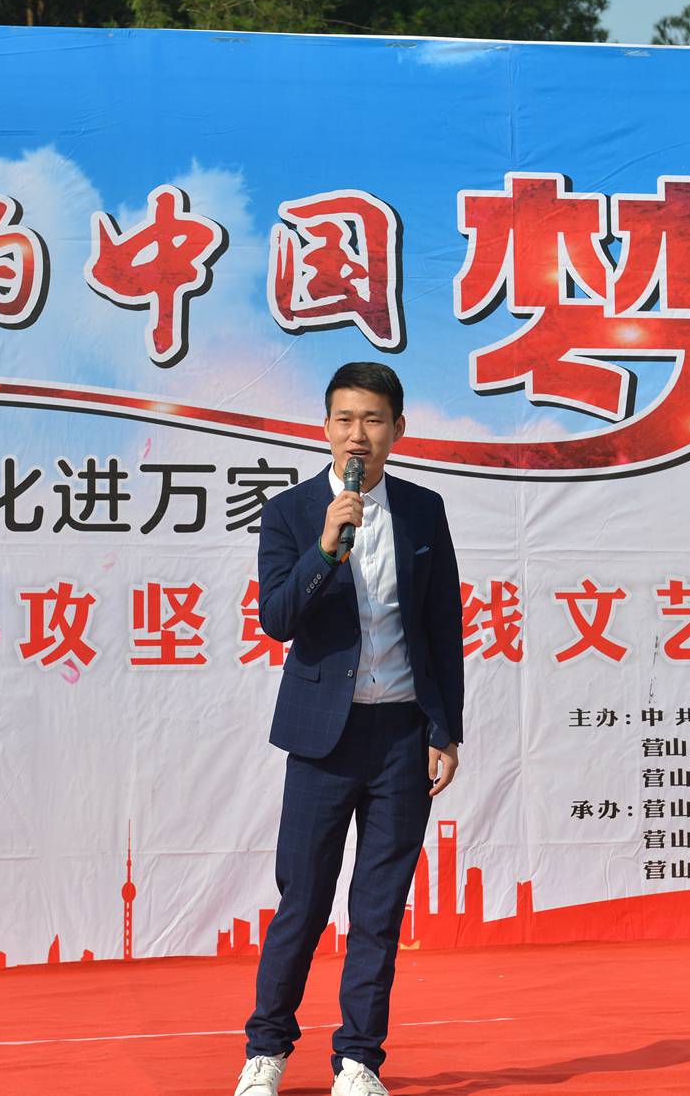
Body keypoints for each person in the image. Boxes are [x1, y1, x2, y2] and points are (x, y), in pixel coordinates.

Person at [233, 362, 465, 1096]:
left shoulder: (424, 510)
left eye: (372, 420)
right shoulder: (293, 513)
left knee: (378, 909)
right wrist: (328, 547)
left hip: (402, 736)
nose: (357, 434)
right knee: (302, 900)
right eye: (344, 419)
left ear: (398, 429)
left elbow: (443, 627)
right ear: (325, 428)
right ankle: (266, 1052)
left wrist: (445, 729)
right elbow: (277, 619)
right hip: (321, 740)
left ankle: (359, 1061)